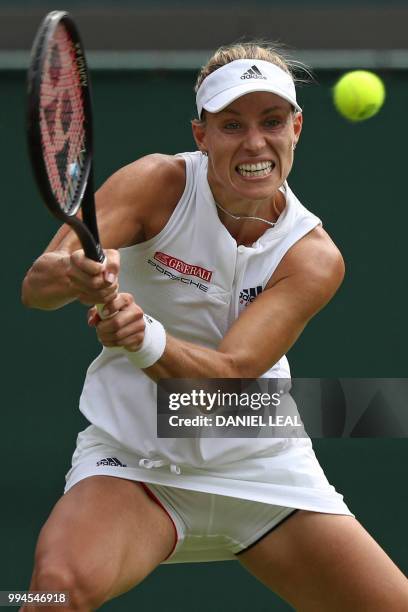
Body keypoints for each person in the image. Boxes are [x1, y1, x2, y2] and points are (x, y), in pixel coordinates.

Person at [21, 42, 408, 611]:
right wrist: (77, 272)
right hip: (134, 460)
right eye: (232, 125)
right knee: (55, 594)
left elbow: (233, 374)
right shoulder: (157, 183)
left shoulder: (314, 256)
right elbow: (38, 286)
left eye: (272, 121)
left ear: (296, 127)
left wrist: (141, 334)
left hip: (261, 459)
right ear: (202, 135)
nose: (255, 143)